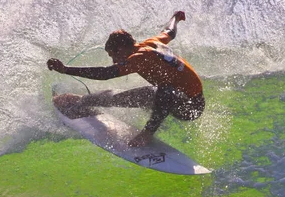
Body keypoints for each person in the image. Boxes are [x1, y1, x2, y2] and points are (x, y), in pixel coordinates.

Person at [47, 11, 205, 147]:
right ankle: (84, 100)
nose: (114, 61)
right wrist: (175, 18)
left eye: (113, 55)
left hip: (191, 107)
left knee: (162, 91)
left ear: (121, 49)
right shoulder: (152, 43)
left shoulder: (139, 57)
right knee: (123, 96)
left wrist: (66, 70)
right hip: (174, 97)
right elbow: (169, 32)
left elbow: (105, 73)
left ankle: (147, 134)